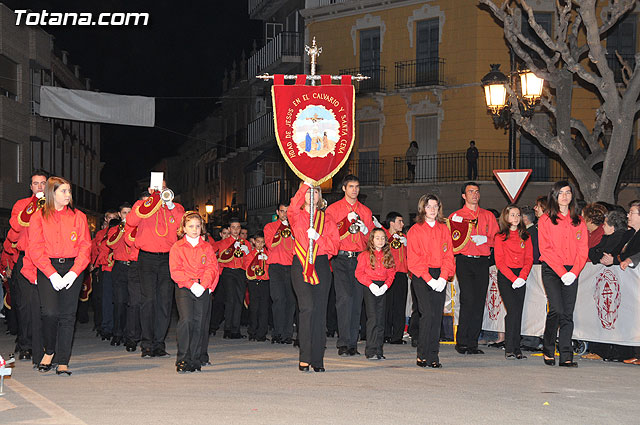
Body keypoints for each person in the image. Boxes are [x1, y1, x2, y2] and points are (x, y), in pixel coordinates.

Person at [28, 177, 91, 375]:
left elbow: (85, 246)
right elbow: (35, 248)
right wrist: (51, 274)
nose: (68, 195)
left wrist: (75, 271)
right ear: (51, 193)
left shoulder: (78, 216)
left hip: (73, 267)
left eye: (69, 191)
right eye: (63, 191)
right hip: (48, 267)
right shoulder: (38, 217)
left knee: (67, 315)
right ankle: (50, 350)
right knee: (49, 313)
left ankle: (63, 359)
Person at [126, 179, 185, 358]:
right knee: (148, 300)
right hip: (146, 258)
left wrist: (169, 204)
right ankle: (147, 344)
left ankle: (159, 343)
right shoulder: (142, 204)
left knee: (165, 302)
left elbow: (181, 224)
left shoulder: (175, 206)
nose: (162, 190)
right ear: (151, 189)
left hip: (168, 257)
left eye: (164, 187)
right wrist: (150, 201)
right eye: (158, 188)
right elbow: (131, 220)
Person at [289, 181, 339, 372]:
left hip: (320, 265)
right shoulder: (297, 216)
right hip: (301, 264)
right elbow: (293, 205)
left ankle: (318, 359)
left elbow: (334, 247)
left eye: (315, 192)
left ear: (320, 197)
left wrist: (318, 237)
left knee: (319, 312)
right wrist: (305, 184)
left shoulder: (327, 220)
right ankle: (305, 356)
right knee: (307, 308)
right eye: (309, 193)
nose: (311, 196)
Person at [538, 181, 588, 367]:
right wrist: (561, 272)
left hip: (572, 270)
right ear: (554, 196)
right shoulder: (545, 219)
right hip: (552, 269)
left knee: (567, 313)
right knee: (556, 310)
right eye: (561, 193)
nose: (565, 196)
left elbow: (583, 249)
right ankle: (548, 347)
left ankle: (566, 354)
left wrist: (574, 272)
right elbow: (546, 249)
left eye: (568, 192)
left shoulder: (579, 220)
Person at [325, 174, 374, 356]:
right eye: (351, 186)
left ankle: (352, 343)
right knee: (344, 299)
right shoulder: (333, 209)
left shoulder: (366, 211)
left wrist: (365, 230)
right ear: (344, 188)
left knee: (356, 300)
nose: (354, 190)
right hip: (341, 258)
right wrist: (345, 222)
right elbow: (329, 235)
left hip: (360, 257)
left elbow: (370, 239)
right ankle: (343, 342)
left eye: (357, 186)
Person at [448, 182, 498, 355]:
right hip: (464, 260)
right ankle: (461, 341)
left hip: (482, 261)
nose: (475, 194)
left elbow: (497, 238)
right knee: (468, 300)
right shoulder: (456, 216)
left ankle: (472, 343)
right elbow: (451, 240)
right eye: (470, 191)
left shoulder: (488, 215)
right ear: (463, 196)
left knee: (478, 302)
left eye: (477, 191)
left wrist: (486, 240)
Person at [407, 194, 455, 368]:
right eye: (429, 206)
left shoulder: (444, 229)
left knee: (436, 316)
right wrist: (429, 279)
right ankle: (422, 353)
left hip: (439, 274)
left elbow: (448, 254)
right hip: (421, 276)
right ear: (422, 209)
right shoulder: (415, 230)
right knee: (426, 314)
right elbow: (413, 259)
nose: (433, 210)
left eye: (435, 206)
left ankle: (434, 355)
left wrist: (443, 276)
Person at [169, 211, 219, 373]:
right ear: (183, 228)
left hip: (202, 287)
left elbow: (212, 267)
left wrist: (204, 285)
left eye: (198, 226)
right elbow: (175, 271)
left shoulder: (207, 246)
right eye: (191, 226)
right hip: (185, 287)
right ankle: (183, 358)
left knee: (200, 323)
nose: (195, 229)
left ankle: (195, 358)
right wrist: (191, 285)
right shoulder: (177, 247)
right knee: (187, 320)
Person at [8, 169, 48, 364]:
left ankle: (44, 344)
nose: (40, 187)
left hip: (48, 260)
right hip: (26, 260)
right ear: (30, 187)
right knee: (25, 306)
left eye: (43, 183)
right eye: (36, 183)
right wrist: (33, 205)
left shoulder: (52, 205)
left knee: (45, 305)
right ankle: (25, 345)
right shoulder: (21, 205)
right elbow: (16, 226)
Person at [494, 205, 533, 360]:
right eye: (512, 215)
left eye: (518, 215)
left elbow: (529, 259)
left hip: (521, 277)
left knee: (518, 311)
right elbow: (500, 261)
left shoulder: (526, 236)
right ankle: (510, 347)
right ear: (506, 217)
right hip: (506, 276)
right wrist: (513, 278)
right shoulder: (500, 237)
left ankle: (516, 347)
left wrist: (522, 277)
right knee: (513, 311)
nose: (516, 218)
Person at [356, 228, 395, 360]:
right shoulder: (364, 255)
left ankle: (379, 349)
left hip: (382, 286)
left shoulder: (388, 255)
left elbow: (391, 273)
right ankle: (371, 350)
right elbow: (359, 273)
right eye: (377, 238)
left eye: (383, 238)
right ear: (372, 240)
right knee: (373, 318)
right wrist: (370, 284)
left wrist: (385, 286)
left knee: (380, 319)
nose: (380, 240)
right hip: (370, 286)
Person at [263, 203, 296, 344]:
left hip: (292, 266)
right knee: (278, 300)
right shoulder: (270, 227)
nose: (285, 214)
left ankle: (288, 334)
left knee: (290, 301)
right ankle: (277, 333)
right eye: (282, 211)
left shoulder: (295, 226)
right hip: (276, 267)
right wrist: (282, 227)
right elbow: (270, 244)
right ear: (277, 212)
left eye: (288, 212)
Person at [217, 218, 250, 339]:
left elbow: (248, 263)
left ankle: (235, 330)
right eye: (233, 227)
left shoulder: (245, 243)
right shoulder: (224, 243)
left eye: (238, 227)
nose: (236, 230)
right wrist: (231, 248)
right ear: (230, 229)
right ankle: (228, 328)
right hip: (229, 272)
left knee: (239, 300)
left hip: (240, 272)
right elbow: (221, 258)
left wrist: (247, 252)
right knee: (230, 300)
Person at [105, 203, 132, 346]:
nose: (127, 215)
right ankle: (117, 333)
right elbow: (111, 244)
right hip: (120, 268)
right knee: (120, 302)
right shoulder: (115, 229)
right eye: (124, 213)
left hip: (133, 268)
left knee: (132, 304)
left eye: (129, 212)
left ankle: (130, 334)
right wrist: (122, 229)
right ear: (120, 215)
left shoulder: (137, 229)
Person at [383, 212, 408, 344]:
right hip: (388, 273)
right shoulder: (384, 236)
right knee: (387, 305)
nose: (402, 224)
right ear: (391, 223)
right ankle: (386, 334)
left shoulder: (404, 237)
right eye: (400, 221)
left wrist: (408, 244)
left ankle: (397, 336)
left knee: (399, 305)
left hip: (401, 273)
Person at [244, 232, 270, 342]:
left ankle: (262, 333)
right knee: (254, 308)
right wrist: (256, 258)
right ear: (254, 242)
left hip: (264, 282)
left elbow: (270, 270)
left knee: (264, 308)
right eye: (258, 242)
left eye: (262, 242)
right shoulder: (250, 254)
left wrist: (266, 260)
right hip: (254, 282)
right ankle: (252, 332)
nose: (260, 244)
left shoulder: (268, 254)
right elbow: (246, 267)